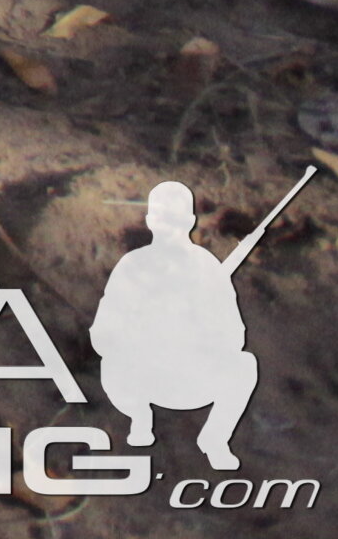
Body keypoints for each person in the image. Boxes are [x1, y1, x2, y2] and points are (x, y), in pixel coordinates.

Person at [94, 180, 261, 470]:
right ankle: (139, 418)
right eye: (161, 218)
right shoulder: (132, 266)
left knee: (244, 365)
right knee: (112, 364)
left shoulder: (207, 269)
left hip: (191, 376)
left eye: (174, 219)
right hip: (141, 376)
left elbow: (235, 335)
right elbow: (103, 332)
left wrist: (200, 330)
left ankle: (215, 439)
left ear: (189, 221)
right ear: (149, 220)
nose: (167, 227)